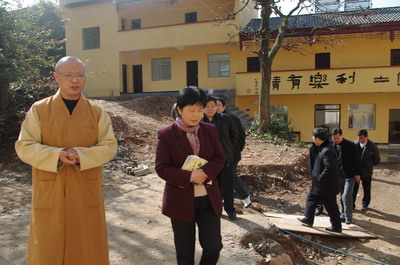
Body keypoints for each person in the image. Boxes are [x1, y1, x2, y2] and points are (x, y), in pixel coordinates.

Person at [15, 56, 117, 265]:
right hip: (50, 192)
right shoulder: (39, 110)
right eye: (69, 75)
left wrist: (82, 155)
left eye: (80, 75)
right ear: (56, 77)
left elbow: (109, 146)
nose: (75, 80)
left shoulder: (97, 112)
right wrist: (56, 155)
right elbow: (24, 145)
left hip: (85, 191)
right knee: (47, 249)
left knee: (87, 249)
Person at [155, 87, 226, 265]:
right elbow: (161, 167)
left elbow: (220, 158)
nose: (196, 115)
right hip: (180, 201)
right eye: (191, 110)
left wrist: (204, 173)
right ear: (179, 109)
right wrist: (189, 176)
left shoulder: (209, 130)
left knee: (214, 246)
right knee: (185, 253)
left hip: (208, 199)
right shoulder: (166, 135)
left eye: (200, 110)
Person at [297, 127, 342, 233]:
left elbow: (330, 168)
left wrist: (321, 179)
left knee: (330, 205)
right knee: (311, 198)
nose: (312, 138)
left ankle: (336, 226)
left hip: (327, 184)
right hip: (319, 183)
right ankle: (308, 219)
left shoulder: (328, 150)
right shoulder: (320, 147)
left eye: (313, 137)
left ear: (318, 138)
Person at [203, 96, 239, 220]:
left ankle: (230, 210)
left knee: (227, 186)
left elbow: (235, 136)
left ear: (217, 107)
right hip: (208, 161)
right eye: (207, 106)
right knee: (212, 186)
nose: (210, 109)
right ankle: (216, 209)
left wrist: (228, 150)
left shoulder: (226, 119)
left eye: (213, 106)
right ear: (202, 108)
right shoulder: (199, 121)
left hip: (225, 159)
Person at [215, 97, 252, 208]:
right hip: (218, 156)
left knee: (231, 176)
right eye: (213, 105)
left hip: (232, 155)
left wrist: (236, 151)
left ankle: (246, 197)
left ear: (224, 107)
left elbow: (240, 137)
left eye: (218, 105)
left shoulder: (231, 118)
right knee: (219, 177)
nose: (216, 108)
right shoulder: (209, 120)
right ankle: (219, 200)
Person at [331, 128, 361, 224]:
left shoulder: (350, 145)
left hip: (350, 175)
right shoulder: (332, 146)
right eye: (334, 138)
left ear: (341, 135)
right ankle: (343, 214)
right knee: (342, 196)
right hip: (339, 175)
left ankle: (348, 217)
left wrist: (357, 173)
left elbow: (357, 160)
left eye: (337, 138)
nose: (336, 140)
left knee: (347, 195)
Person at [353, 129, 380, 211]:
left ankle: (365, 204)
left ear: (366, 137)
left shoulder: (372, 146)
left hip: (366, 171)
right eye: (359, 138)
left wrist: (369, 165)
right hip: (356, 171)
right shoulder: (354, 144)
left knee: (366, 188)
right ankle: (351, 204)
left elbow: (376, 160)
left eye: (362, 138)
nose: (361, 140)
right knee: (353, 189)